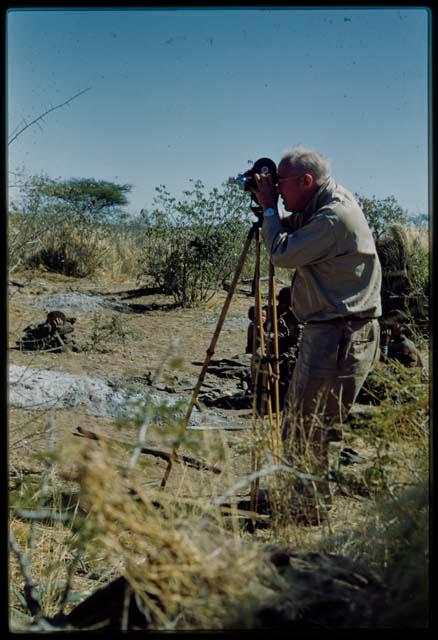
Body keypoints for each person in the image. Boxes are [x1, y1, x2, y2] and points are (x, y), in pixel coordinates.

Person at [252, 146, 382, 523]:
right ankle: (301, 501)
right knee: (301, 421)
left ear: (306, 181)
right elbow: (294, 229)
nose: (277, 189)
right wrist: (270, 208)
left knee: (314, 427)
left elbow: (282, 252)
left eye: (281, 184)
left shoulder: (334, 214)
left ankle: (308, 512)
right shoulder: (324, 204)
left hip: (339, 334)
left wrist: (270, 211)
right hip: (330, 330)